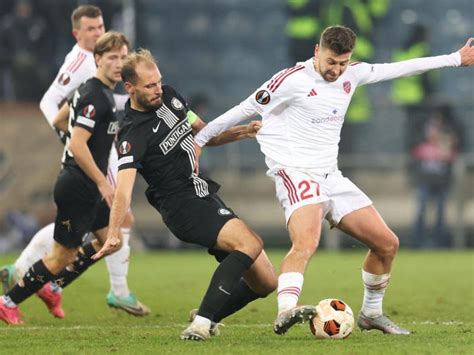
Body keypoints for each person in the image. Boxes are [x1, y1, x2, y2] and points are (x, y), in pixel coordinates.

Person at [194, 25, 474, 335]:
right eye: (331, 62)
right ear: (317, 51)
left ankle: (371, 314)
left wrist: (454, 58)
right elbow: (246, 107)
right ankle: (286, 310)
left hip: (331, 176)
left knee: (386, 244)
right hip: (296, 172)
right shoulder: (292, 80)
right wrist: (201, 139)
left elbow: (400, 69)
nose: (336, 70)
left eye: (342, 63)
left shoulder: (352, 74)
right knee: (307, 241)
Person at [92, 49, 277, 341]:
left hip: (202, 192)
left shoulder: (171, 97)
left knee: (266, 281)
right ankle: (201, 324)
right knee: (250, 243)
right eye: (149, 86)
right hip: (181, 205)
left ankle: (208, 314)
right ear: (129, 88)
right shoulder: (131, 135)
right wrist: (114, 231)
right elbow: (123, 191)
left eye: (159, 82)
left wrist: (242, 132)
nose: (158, 90)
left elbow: (203, 134)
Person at [0, 4, 150, 317]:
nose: (98, 34)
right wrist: (72, 142)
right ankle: (16, 290)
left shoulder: (101, 89)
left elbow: (70, 112)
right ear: (78, 35)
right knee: (65, 250)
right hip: (82, 175)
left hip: (87, 169)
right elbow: (53, 106)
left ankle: (50, 284)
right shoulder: (85, 73)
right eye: (92, 30)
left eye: (100, 27)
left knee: (114, 230)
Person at [411, 104, 464, 249]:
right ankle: (417, 242)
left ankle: (439, 242)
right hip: (426, 182)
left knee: (440, 214)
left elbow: (452, 157)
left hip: (441, 183)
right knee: (421, 211)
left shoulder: (446, 148)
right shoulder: (423, 148)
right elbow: (416, 158)